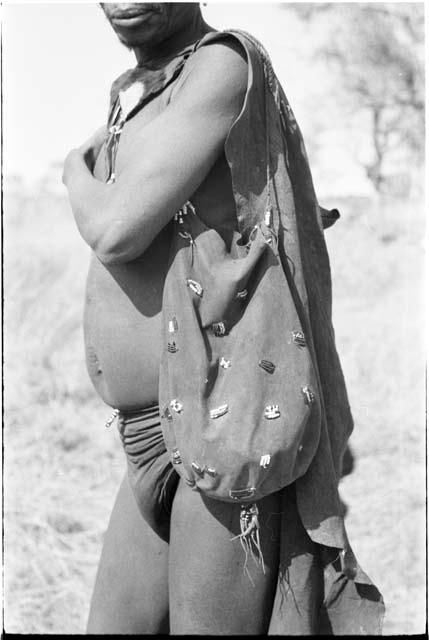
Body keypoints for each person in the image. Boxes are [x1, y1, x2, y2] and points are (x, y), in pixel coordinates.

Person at [63, 3, 384, 635]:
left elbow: (116, 231)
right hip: (146, 433)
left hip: (218, 422)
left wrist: (73, 170)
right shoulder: (143, 92)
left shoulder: (222, 64)